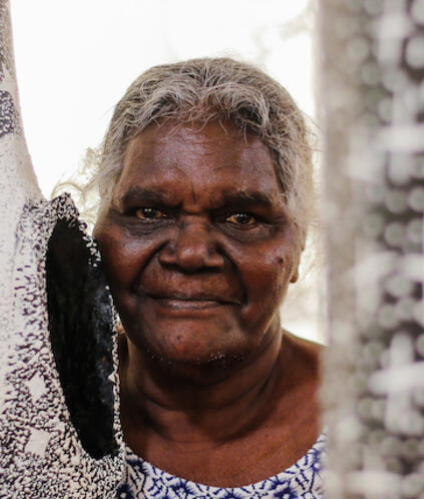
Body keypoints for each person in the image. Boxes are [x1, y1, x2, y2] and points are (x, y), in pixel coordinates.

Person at [88, 57, 324, 498]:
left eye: (241, 217)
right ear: (101, 231)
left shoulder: (390, 425)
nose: (192, 253)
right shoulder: (37, 413)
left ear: (297, 243)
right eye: (149, 212)